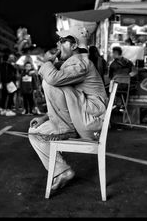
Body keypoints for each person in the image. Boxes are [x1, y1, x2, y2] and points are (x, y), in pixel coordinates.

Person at [28, 26, 108, 191]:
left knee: (50, 80)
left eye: (63, 41)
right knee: (35, 134)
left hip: (90, 122)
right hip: (79, 118)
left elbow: (53, 79)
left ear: (74, 46)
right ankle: (62, 171)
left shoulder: (81, 62)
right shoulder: (71, 63)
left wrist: (47, 62)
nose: (58, 44)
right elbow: (64, 101)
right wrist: (45, 117)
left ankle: (65, 129)